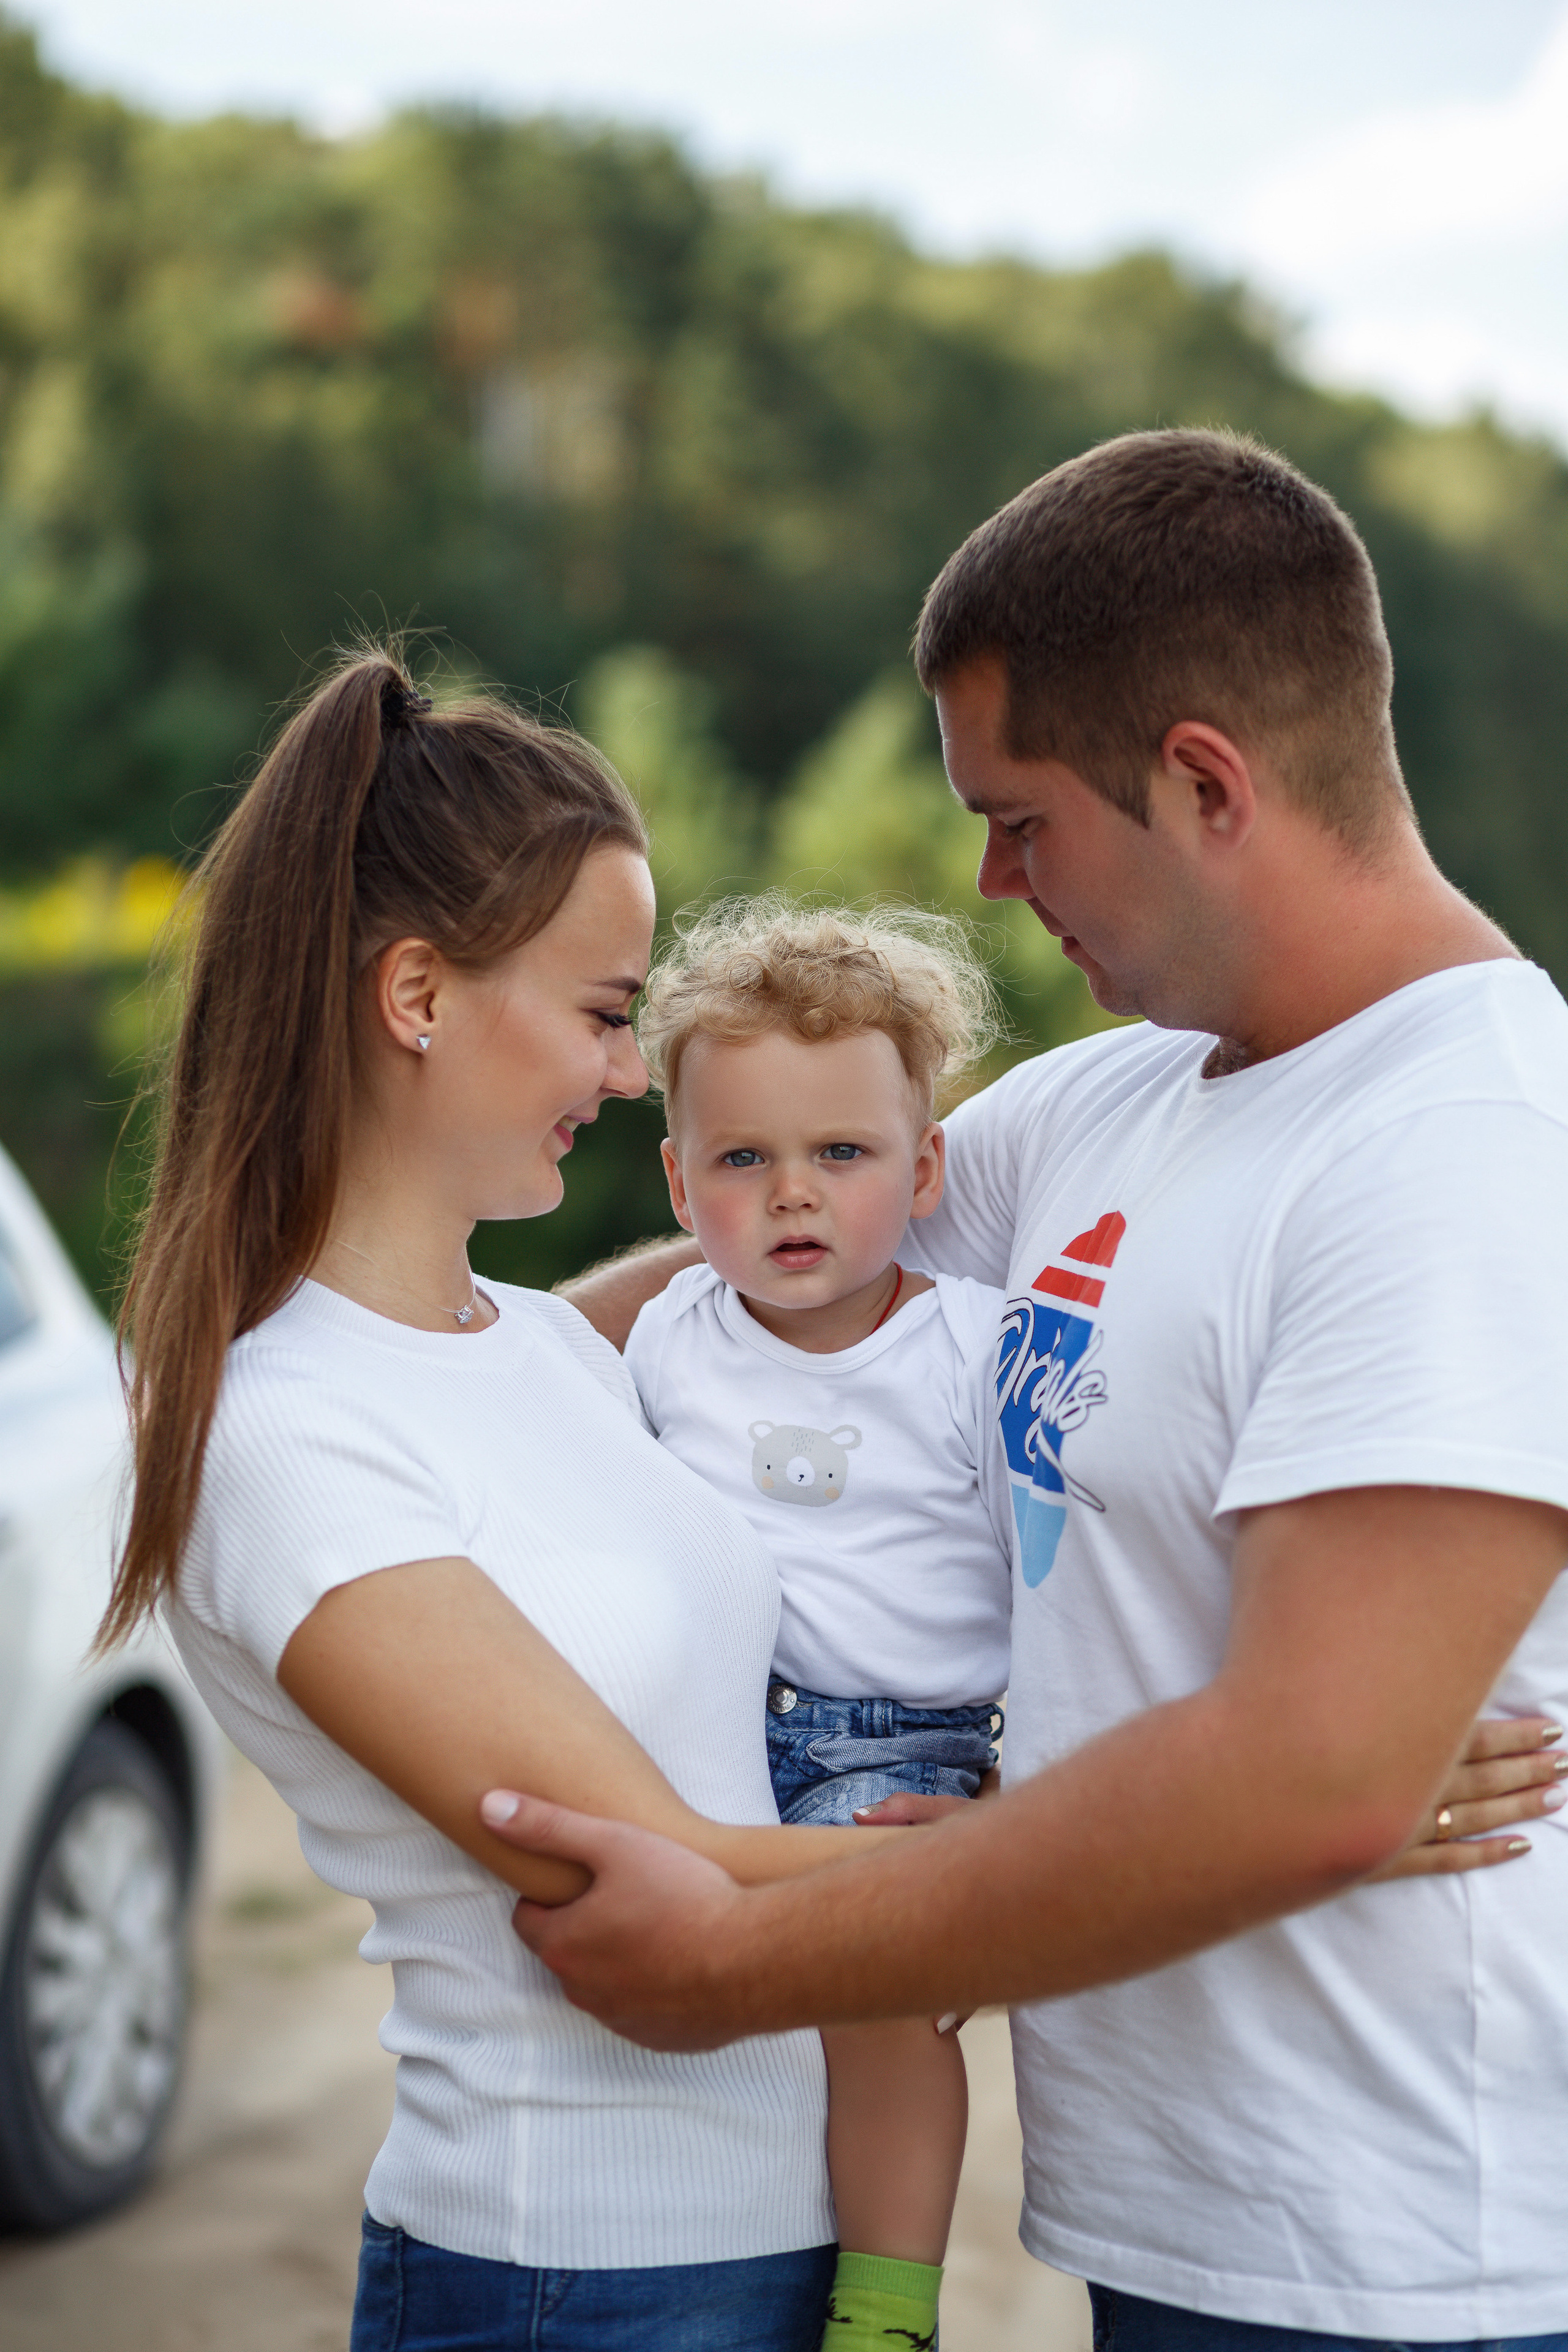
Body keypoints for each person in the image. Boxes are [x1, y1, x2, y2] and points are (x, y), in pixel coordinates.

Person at [480, 431, 1568, 2349]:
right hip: (1173, 2224)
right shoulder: (1121, 1095)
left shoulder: (1463, 1144)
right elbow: (778, 1252)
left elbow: (1317, 1780)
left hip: (1405, 2262)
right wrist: (446, 1371)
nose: (989, 877)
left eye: (1023, 817)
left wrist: (744, 1952)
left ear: (1204, 782)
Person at [100, 654, 943, 2352]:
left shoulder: (548, 1351)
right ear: (417, 992)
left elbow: (763, 1268)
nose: (633, 1075)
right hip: (571, 2287)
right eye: (605, 1009)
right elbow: (672, 1872)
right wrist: (1232, 1823)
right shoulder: (286, 1434)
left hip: (773, 2257)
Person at [625, 897, 1014, 2352]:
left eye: (839, 1154)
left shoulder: (971, 1349)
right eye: (744, 1159)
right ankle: (695, 2236)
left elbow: (1057, 1578)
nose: (792, 1196)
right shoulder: (666, 1335)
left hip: (894, 1746)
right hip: (705, 1727)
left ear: (922, 1171)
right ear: (676, 1182)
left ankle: (884, 2306)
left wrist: (1018, 1780)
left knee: (877, 1998)